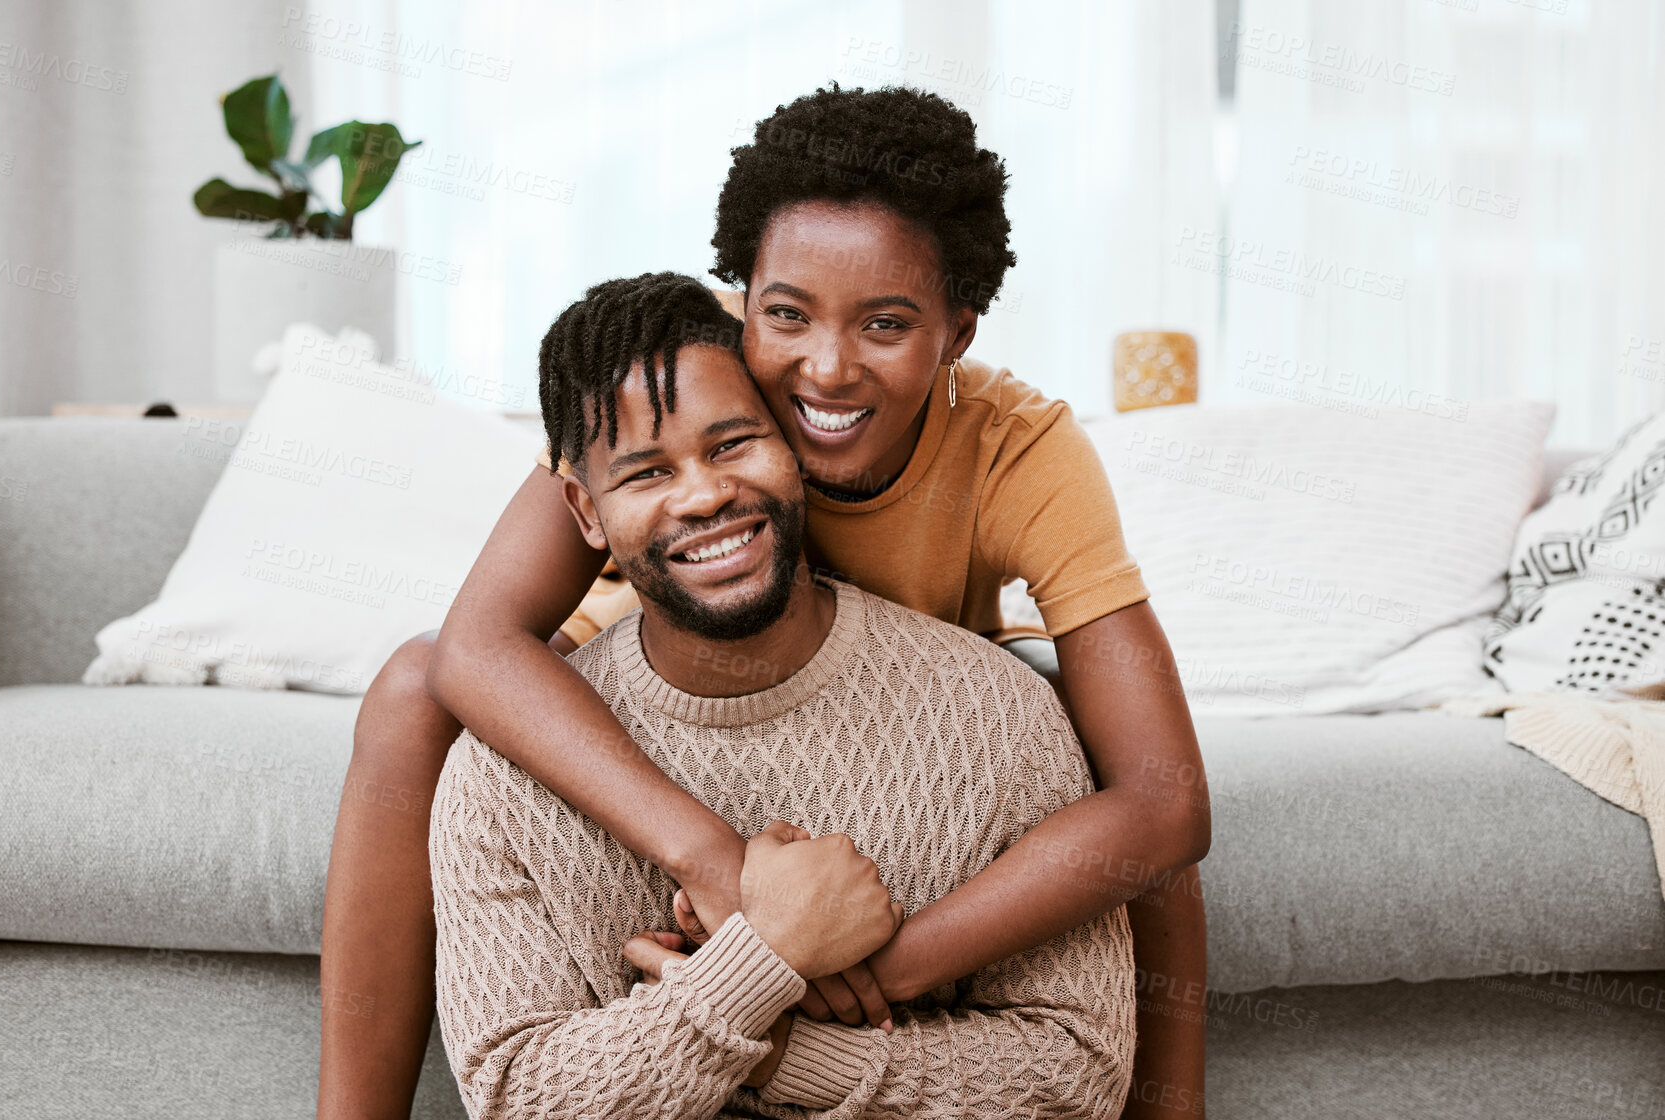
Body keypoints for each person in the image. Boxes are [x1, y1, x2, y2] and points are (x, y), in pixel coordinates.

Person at [319, 86, 1209, 1120]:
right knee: (411, 688)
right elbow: (477, 641)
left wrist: (880, 970)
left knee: (1111, 765)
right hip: (671, 645)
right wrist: (718, 861)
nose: (823, 367)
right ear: (746, 296)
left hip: (902, 691)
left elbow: (1166, 804)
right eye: (785, 314)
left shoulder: (1022, 449)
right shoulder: (699, 361)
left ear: (956, 333)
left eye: (885, 324)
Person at [430, 274, 1136, 1118]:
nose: (703, 494)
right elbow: (520, 1099)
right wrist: (767, 955)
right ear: (584, 510)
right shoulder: (501, 772)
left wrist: (772, 1044)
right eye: (648, 471)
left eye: (732, 445)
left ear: (794, 444)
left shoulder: (998, 718)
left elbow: (1074, 1077)